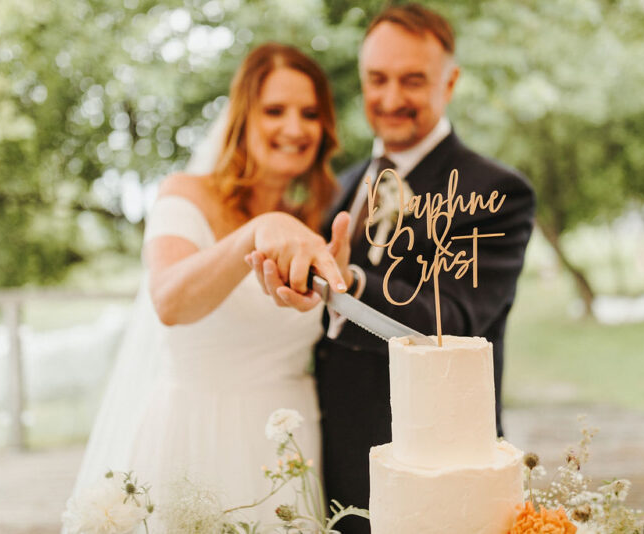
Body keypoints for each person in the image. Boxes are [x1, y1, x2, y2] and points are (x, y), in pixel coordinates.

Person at [249, 5, 535, 534]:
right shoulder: (337, 188)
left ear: (449, 83)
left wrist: (351, 283)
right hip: (332, 462)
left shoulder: (495, 191)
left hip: (439, 475)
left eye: (413, 80)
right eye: (377, 79)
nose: (391, 98)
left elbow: (456, 319)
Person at [68, 42, 351, 528]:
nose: (294, 127)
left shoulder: (313, 228)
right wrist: (257, 229)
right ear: (242, 117)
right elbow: (170, 300)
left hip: (288, 445)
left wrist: (339, 288)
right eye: (274, 110)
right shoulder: (185, 195)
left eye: (309, 113)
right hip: (195, 437)